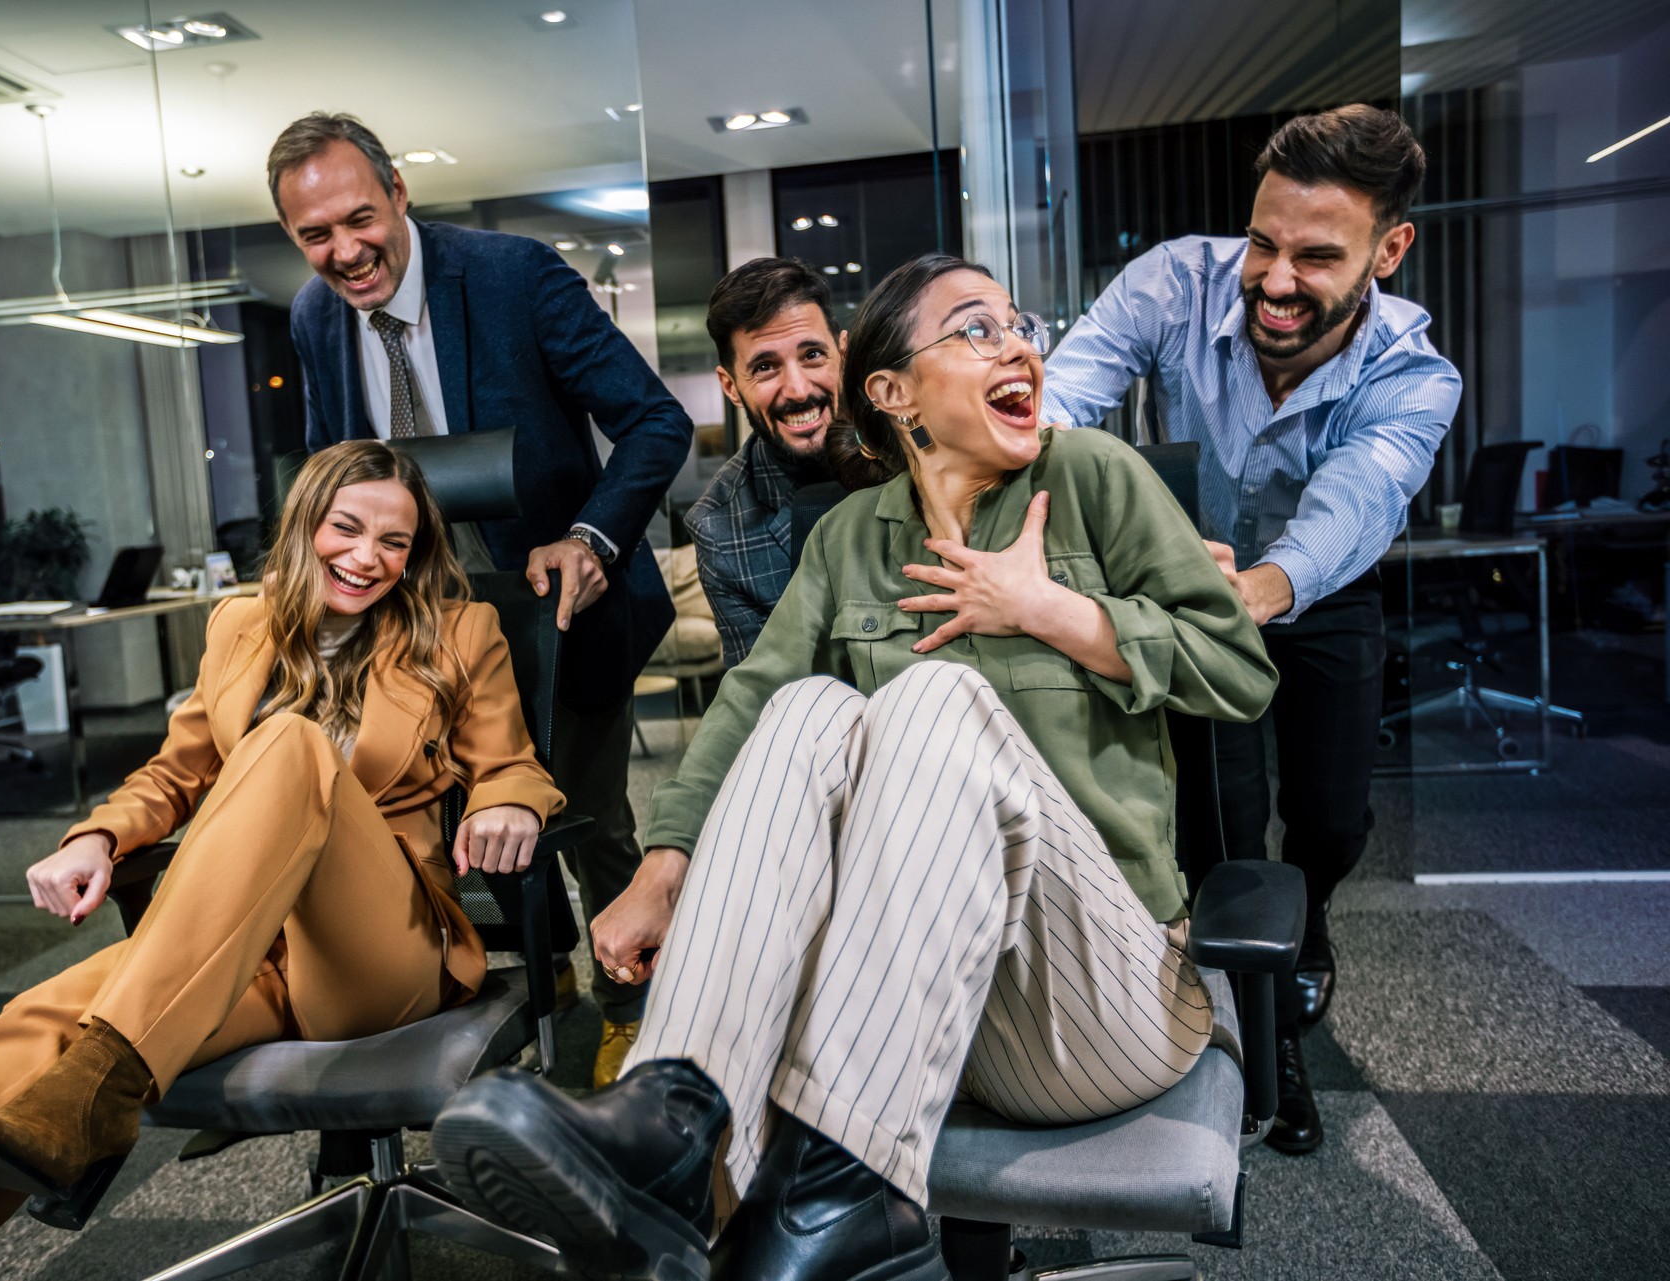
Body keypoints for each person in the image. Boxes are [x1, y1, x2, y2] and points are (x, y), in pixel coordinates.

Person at [430, 254, 1278, 1281]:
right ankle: (675, 1127)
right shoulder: (843, 540)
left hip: (1093, 996)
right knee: (804, 705)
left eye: (1018, 326)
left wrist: (1052, 610)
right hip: (914, 1011)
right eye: (976, 329)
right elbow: (749, 708)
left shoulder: (1092, 476)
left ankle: (843, 1190)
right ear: (892, 392)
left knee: (927, 696)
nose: (1015, 347)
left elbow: (1240, 669)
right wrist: (663, 868)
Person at [0, 441, 564, 1281]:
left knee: (289, 742)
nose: (368, 557)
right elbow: (175, 774)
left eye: (395, 541)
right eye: (346, 528)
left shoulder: (459, 630)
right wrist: (97, 837)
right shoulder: (239, 626)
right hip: (238, 947)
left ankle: (100, 1084)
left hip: (379, 952)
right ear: (302, 524)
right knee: (29, 1033)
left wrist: (506, 800)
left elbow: (510, 762)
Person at [1037, 104, 1461, 1155]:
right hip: (1185, 589)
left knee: (1331, 819)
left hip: (1318, 589)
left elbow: (1355, 503)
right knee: (1221, 828)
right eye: (1264, 243)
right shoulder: (1175, 282)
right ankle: (1266, 1039)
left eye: (1316, 257)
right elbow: (1066, 392)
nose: (1273, 280)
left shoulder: (1414, 375)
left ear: (1389, 251)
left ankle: (1308, 924)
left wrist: (1264, 588)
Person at [271, 113, 691, 1084]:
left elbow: (654, 424)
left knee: (590, 816)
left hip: (561, 603)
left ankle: (636, 1007)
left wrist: (590, 538)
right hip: (423, 621)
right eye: (315, 235)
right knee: (447, 816)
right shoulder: (314, 317)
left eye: (360, 219)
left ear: (399, 193)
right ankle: (538, 985)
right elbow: (335, 474)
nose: (345, 252)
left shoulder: (513, 277)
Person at [688, 256, 845, 666]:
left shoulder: (914, 452)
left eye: (812, 355)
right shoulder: (720, 528)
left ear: (842, 353)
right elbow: (765, 691)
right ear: (731, 387)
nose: (798, 390)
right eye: (765, 367)